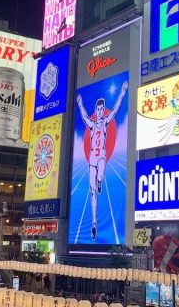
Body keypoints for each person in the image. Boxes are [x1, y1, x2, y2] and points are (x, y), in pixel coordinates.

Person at [76, 79, 128, 240]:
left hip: (102, 155)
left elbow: (116, 109)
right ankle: (94, 224)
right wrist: (79, 103)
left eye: (101, 109)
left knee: (100, 176)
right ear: (95, 110)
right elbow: (84, 115)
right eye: (97, 109)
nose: (99, 111)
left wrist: (122, 92)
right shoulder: (91, 124)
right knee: (92, 193)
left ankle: (100, 181)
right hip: (92, 158)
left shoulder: (105, 122)